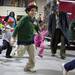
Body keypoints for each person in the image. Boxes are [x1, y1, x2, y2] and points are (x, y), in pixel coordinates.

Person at [11, 4, 38, 72]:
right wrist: (13, 37)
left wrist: (39, 32)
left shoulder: (34, 19)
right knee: (19, 55)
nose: (34, 12)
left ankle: (28, 67)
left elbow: (36, 27)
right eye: (32, 10)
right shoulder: (25, 18)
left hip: (31, 40)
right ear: (28, 11)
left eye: (35, 11)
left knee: (33, 55)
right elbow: (17, 27)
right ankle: (15, 49)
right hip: (23, 40)